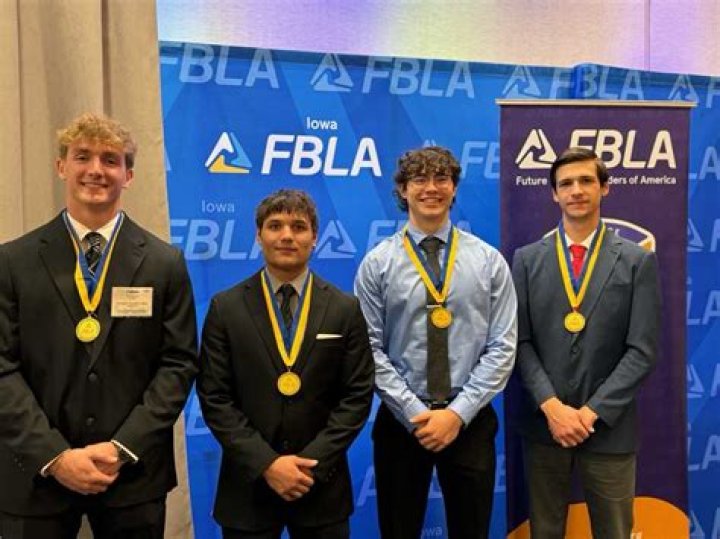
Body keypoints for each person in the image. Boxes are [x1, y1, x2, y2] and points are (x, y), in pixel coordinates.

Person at [0, 113, 198, 538]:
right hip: (34, 475)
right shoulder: (12, 261)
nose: (96, 170)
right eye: (82, 157)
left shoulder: (165, 263)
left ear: (128, 175)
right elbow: (2, 368)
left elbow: (179, 365)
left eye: (110, 160)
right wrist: (55, 456)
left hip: (132, 476)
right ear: (61, 167)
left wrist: (122, 447)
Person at [354, 146, 517, 538]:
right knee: (398, 531)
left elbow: (503, 345)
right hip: (401, 421)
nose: (431, 188)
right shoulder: (377, 263)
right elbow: (367, 348)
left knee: (472, 531)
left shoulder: (488, 261)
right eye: (419, 179)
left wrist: (457, 414)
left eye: (441, 179)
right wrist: (415, 412)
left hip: (469, 420)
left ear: (454, 188)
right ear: (403, 190)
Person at [198, 189, 374, 539]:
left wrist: (310, 465)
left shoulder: (344, 308)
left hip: (320, 486)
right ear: (258, 235)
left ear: (315, 237)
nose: (287, 235)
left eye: (299, 226)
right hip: (248, 489)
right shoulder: (225, 307)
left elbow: (356, 396)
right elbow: (215, 397)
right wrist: (267, 464)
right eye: (275, 225)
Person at [511, 147, 661, 539]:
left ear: (604, 188)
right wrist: (553, 409)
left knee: (614, 532)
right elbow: (519, 342)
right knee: (544, 532)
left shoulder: (637, 261)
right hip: (545, 426)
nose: (576, 190)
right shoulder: (526, 260)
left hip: (609, 428)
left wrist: (591, 413)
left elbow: (642, 350)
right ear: (554, 194)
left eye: (586, 181)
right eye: (566, 184)